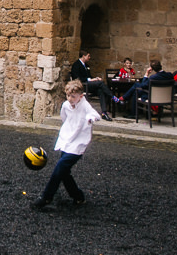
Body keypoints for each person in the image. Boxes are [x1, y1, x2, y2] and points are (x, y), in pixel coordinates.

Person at [31, 79, 100, 212]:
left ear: (81, 96)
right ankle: (78, 196)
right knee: (64, 172)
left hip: (79, 143)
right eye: (68, 96)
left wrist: (90, 119)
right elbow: (64, 119)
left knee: (60, 167)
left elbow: (94, 114)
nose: (70, 99)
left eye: (73, 96)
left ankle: (46, 196)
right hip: (66, 140)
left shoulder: (85, 106)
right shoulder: (66, 105)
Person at [70, 50, 118, 121]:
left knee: (100, 90)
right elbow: (77, 78)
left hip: (88, 84)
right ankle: (112, 96)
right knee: (100, 83)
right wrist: (89, 80)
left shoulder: (87, 65)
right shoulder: (76, 65)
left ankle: (104, 113)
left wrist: (95, 78)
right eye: (88, 56)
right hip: (82, 85)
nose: (89, 57)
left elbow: (89, 76)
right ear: (83, 56)